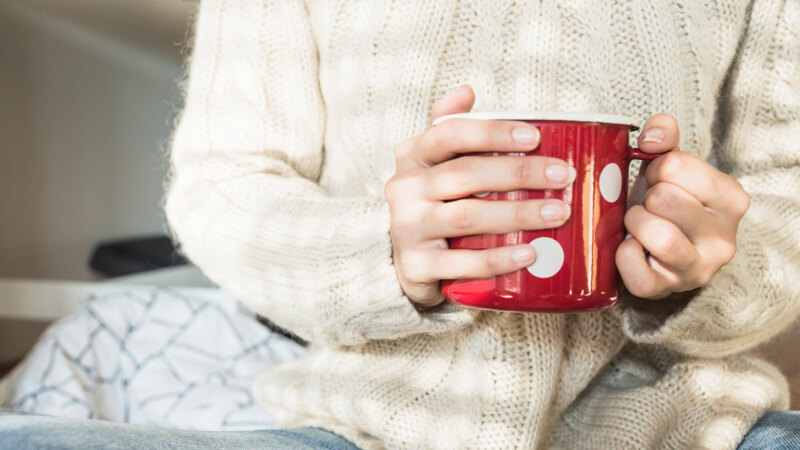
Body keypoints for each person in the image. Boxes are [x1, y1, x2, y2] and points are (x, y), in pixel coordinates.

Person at [2, 0, 799, 448]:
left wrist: (705, 270)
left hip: (688, 425)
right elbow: (224, 185)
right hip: (357, 426)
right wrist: (381, 254)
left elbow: (785, 202)